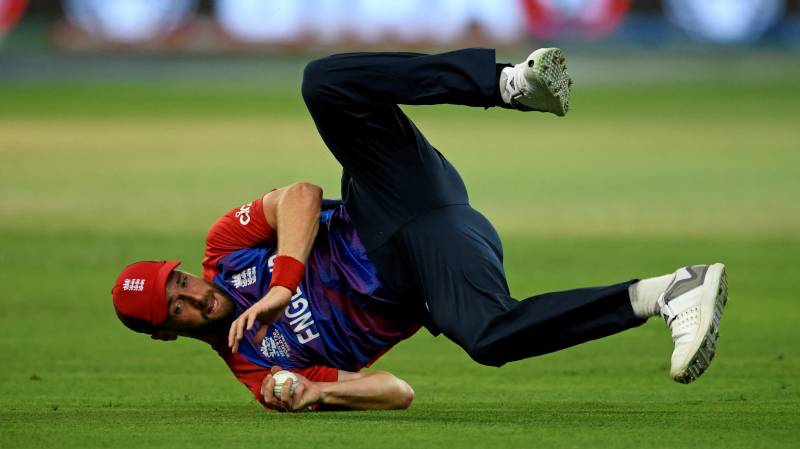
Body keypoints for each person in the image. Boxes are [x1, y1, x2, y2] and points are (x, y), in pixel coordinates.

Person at [111, 48, 728, 412]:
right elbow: (397, 391)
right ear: (167, 335)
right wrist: (315, 394)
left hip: (387, 198)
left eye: (180, 280)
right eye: (178, 307)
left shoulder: (224, 251)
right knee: (487, 338)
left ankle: (510, 84)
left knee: (324, 82)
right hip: (428, 270)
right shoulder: (254, 369)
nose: (195, 294)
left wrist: (280, 283)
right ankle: (668, 292)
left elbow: (298, 196)